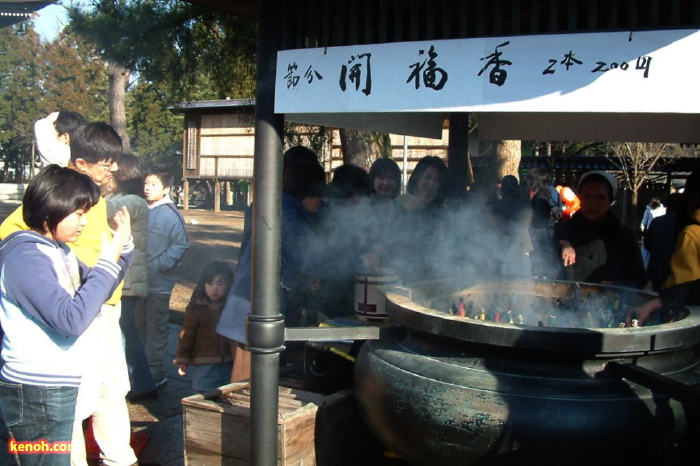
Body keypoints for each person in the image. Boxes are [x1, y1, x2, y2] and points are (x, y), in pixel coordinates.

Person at [0, 122, 138, 466]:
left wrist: (122, 247)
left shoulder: (83, 212)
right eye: (106, 164)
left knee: (109, 391)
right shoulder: (35, 240)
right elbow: (69, 317)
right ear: (80, 164)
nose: (113, 170)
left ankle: (118, 457)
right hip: (59, 344)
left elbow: (99, 265)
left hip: (100, 307)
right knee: (72, 412)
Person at [217, 158, 327, 382]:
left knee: (249, 384)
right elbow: (304, 258)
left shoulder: (284, 208)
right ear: (308, 191)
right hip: (252, 311)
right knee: (245, 385)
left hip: (251, 309)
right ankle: (240, 418)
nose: (321, 200)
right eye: (319, 194)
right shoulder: (287, 214)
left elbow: (287, 262)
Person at [104, 153, 157, 402]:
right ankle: (139, 384)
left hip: (128, 280)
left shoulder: (134, 201)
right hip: (124, 277)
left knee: (126, 332)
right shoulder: (121, 198)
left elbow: (104, 211)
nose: (107, 178)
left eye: (111, 173)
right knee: (125, 331)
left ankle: (141, 384)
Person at [140, 165, 190, 387]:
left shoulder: (171, 215)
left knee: (157, 330)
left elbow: (181, 246)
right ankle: (138, 371)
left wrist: (159, 265)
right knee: (138, 328)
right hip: (137, 284)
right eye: (146, 183)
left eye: (153, 184)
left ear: (167, 188)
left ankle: (156, 374)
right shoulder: (141, 209)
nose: (147, 188)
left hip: (159, 285)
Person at [554, 170, 647, 289]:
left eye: (600, 197)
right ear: (580, 198)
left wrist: (616, 286)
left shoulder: (624, 236)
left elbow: (639, 278)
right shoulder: (562, 230)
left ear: (610, 201)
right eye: (587, 196)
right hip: (567, 303)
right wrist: (561, 245)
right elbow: (542, 263)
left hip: (609, 305)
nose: (592, 202)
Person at [175, 261, 235, 393]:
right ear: (203, 284)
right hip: (204, 362)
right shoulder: (196, 307)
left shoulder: (231, 306)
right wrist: (182, 358)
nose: (214, 289)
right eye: (210, 283)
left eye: (220, 284)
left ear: (229, 284)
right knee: (204, 394)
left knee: (227, 393)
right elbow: (187, 335)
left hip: (228, 361)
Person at [392, 156, 448, 281]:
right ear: (417, 177)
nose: (431, 183)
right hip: (401, 273)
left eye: (436, 180)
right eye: (427, 177)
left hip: (433, 276)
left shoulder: (441, 211)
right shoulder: (399, 205)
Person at [493, 175, 533, 279]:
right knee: (522, 284)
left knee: (503, 284)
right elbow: (528, 225)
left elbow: (497, 228)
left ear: (502, 189)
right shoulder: (526, 204)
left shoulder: (498, 206)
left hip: (505, 250)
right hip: (524, 249)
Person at [644, 193, 681, 291]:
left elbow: (647, 244)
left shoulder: (656, 222)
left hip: (657, 271)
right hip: (677, 273)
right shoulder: (684, 225)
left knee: (657, 300)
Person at [528, 168, 559, 279]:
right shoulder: (545, 195)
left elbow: (539, 221)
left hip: (539, 237)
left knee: (539, 268)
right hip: (543, 235)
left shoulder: (540, 199)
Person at [640, 197, 666, 267]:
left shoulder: (662, 210)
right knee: (647, 248)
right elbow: (645, 218)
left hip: (659, 230)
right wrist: (642, 225)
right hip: (650, 230)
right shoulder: (648, 209)